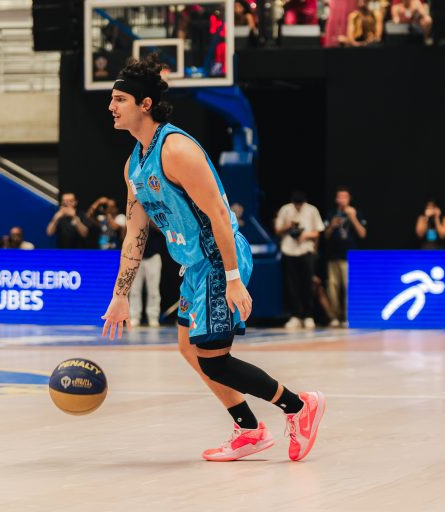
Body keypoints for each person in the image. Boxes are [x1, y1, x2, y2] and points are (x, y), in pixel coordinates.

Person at [102, 54, 325, 463]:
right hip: (194, 265)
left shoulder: (177, 149)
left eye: (119, 99)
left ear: (145, 104)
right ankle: (249, 429)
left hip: (219, 259)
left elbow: (220, 215)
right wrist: (121, 295)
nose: (111, 106)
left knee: (214, 360)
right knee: (189, 349)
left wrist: (233, 277)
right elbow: (135, 233)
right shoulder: (134, 164)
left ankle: (299, 407)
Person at [275, 191, 325, 329]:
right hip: (289, 251)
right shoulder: (286, 209)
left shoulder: (312, 210)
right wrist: (288, 226)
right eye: (296, 204)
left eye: (300, 205)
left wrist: (305, 236)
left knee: (308, 284)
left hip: (306, 250)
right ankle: (296, 315)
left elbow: (318, 231)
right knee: (292, 285)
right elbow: (277, 229)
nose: (298, 207)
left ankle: (308, 316)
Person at [324, 187, 367, 327]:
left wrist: (353, 217)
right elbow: (325, 236)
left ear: (349, 199)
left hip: (350, 257)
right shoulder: (331, 214)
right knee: (333, 288)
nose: (342, 200)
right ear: (336, 199)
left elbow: (362, 234)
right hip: (333, 256)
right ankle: (334, 317)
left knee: (348, 288)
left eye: (345, 197)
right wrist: (332, 225)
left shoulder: (356, 213)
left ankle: (347, 316)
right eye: (339, 197)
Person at [129, 223, 164, 328]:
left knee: (153, 290)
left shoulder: (155, 215)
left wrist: (149, 219)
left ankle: (153, 317)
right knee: (134, 290)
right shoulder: (136, 215)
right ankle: (134, 317)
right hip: (136, 256)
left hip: (153, 256)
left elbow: (162, 229)